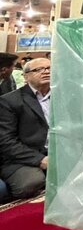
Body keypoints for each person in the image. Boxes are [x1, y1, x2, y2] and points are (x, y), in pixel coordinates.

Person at [0, 57, 51, 199]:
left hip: (58, 153)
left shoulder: (63, 97)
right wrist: (40, 159)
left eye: (49, 68)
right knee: (32, 182)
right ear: (26, 76)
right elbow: (6, 141)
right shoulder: (9, 101)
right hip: (23, 157)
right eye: (38, 69)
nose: (46, 72)